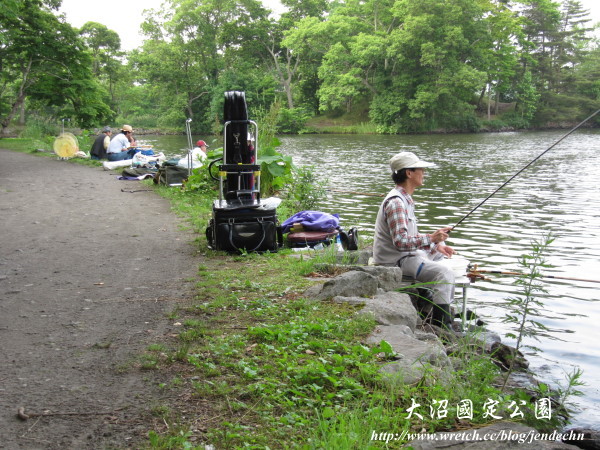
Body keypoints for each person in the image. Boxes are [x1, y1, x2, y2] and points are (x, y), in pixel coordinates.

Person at [372, 151, 457, 328]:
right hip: (395, 262)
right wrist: (430, 238)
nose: (424, 173)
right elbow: (401, 242)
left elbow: (409, 236)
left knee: (440, 251)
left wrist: (435, 242)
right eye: (421, 169)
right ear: (409, 173)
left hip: (406, 256)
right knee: (445, 274)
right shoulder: (396, 202)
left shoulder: (405, 199)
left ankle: (429, 301)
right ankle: (442, 325)